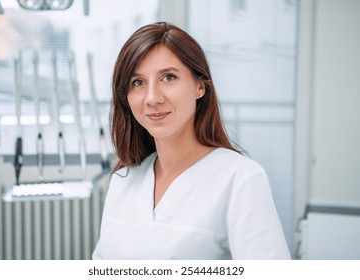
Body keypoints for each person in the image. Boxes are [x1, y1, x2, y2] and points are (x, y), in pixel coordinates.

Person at [92, 22, 291, 260]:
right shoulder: (124, 179)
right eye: (138, 82)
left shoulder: (241, 179)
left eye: (168, 77)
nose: (152, 98)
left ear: (199, 86)